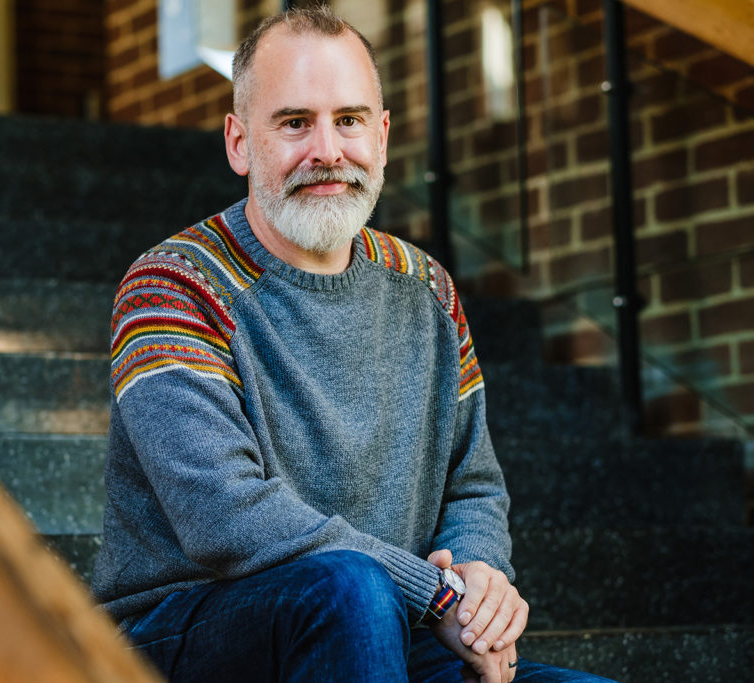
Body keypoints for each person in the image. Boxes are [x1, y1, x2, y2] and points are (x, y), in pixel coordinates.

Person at [92, 7, 613, 683]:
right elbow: (228, 515)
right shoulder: (173, 284)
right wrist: (436, 595)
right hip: (185, 633)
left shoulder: (426, 287)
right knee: (348, 588)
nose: (328, 151)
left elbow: (472, 486)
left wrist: (480, 583)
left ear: (383, 135)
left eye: (349, 119)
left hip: (386, 625)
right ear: (239, 141)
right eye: (294, 122)